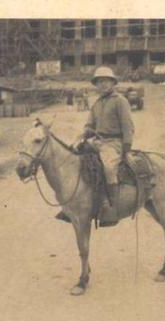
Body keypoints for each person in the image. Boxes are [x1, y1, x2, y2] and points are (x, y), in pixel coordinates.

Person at [56, 66, 134, 227]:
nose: (103, 85)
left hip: (114, 143)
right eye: (99, 82)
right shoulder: (97, 104)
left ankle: (111, 206)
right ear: (96, 85)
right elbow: (90, 125)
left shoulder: (120, 101)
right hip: (97, 142)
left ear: (113, 83)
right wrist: (83, 135)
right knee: (76, 159)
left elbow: (128, 126)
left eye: (106, 81)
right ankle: (72, 204)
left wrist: (126, 148)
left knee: (108, 167)